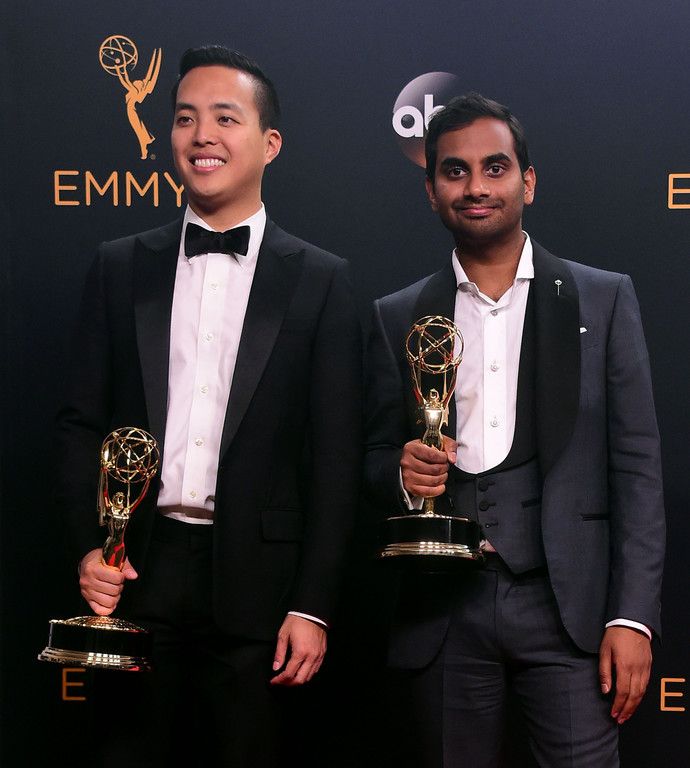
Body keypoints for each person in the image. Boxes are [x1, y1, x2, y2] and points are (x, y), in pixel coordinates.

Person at [57, 45, 361, 767]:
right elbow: (78, 423)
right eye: (185, 118)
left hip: (263, 588)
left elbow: (337, 458)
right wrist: (89, 547)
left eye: (226, 118)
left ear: (269, 143)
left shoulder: (321, 280)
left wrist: (312, 604)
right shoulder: (119, 265)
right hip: (136, 576)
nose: (202, 136)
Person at [364, 93, 664, 767]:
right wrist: (400, 474)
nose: (475, 186)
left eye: (494, 168)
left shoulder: (603, 299)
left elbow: (638, 470)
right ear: (431, 191)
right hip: (441, 614)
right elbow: (372, 457)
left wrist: (632, 616)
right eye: (455, 171)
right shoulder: (397, 315)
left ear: (527, 182)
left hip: (569, 609)